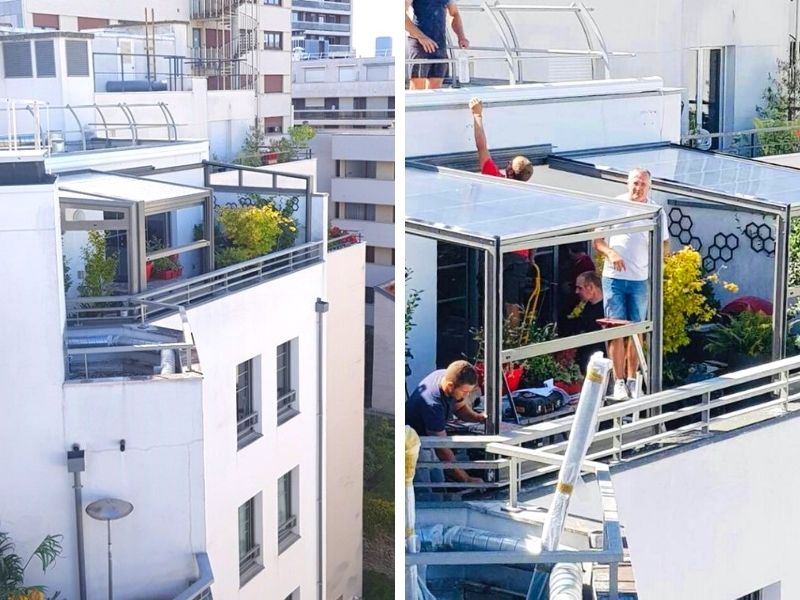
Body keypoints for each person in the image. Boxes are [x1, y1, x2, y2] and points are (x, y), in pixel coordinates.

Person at [593, 168, 669, 399]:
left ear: (649, 186)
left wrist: (656, 262)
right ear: (628, 183)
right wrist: (611, 253)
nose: (638, 188)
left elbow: (665, 245)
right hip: (614, 279)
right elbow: (597, 241)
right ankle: (618, 381)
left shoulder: (655, 211)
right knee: (616, 328)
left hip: (639, 280)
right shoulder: (612, 205)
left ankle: (633, 379)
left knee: (637, 331)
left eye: (642, 184)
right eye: (635, 183)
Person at [467, 97, 535, 324]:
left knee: (488, 293)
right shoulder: (532, 195)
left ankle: (488, 335)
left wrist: (477, 114)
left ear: (508, 169)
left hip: (497, 248)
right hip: (520, 253)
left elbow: (481, 147)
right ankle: (510, 344)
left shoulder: (496, 181)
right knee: (512, 301)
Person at [406, 360, 486, 484]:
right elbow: (442, 450)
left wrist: (478, 418)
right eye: (465, 392)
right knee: (426, 489)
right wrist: (466, 479)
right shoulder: (432, 404)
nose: (467, 395)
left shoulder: (447, 375)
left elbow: (459, 408)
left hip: (429, 441)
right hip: (414, 446)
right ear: (450, 386)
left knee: (439, 480)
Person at [406, 0, 469, 90]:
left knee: (436, 88)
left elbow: (454, 14)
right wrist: (421, 37)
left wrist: (461, 37)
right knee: (417, 89)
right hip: (419, 44)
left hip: (439, 43)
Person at [469, 97, 533, 181]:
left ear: (510, 172)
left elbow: (481, 146)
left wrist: (477, 114)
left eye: (510, 163)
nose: (508, 162)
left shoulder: (494, 178)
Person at [572, 271, 606, 374]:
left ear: (591, 287)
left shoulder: (607, 310)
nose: (577, 292)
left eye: (580, 288)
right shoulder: (587, 306)